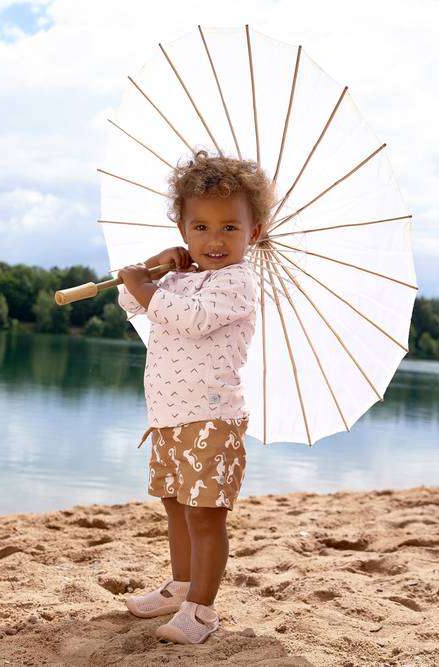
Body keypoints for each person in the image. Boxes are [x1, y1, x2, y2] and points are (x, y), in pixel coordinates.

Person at [116, 150, 274, 644]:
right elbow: (131, 305)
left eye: (230, 227)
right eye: (201, 227)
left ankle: (201, 609)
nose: (215, 240)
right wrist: (151, 270)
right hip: (167, 417)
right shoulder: (181, 278)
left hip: (210, 421)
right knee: (176, 505)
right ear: (183, 230)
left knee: (206, 515)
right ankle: (180, 586)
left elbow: (188, 320)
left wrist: (146, 287)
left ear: (254, 232)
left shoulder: (236, 284)